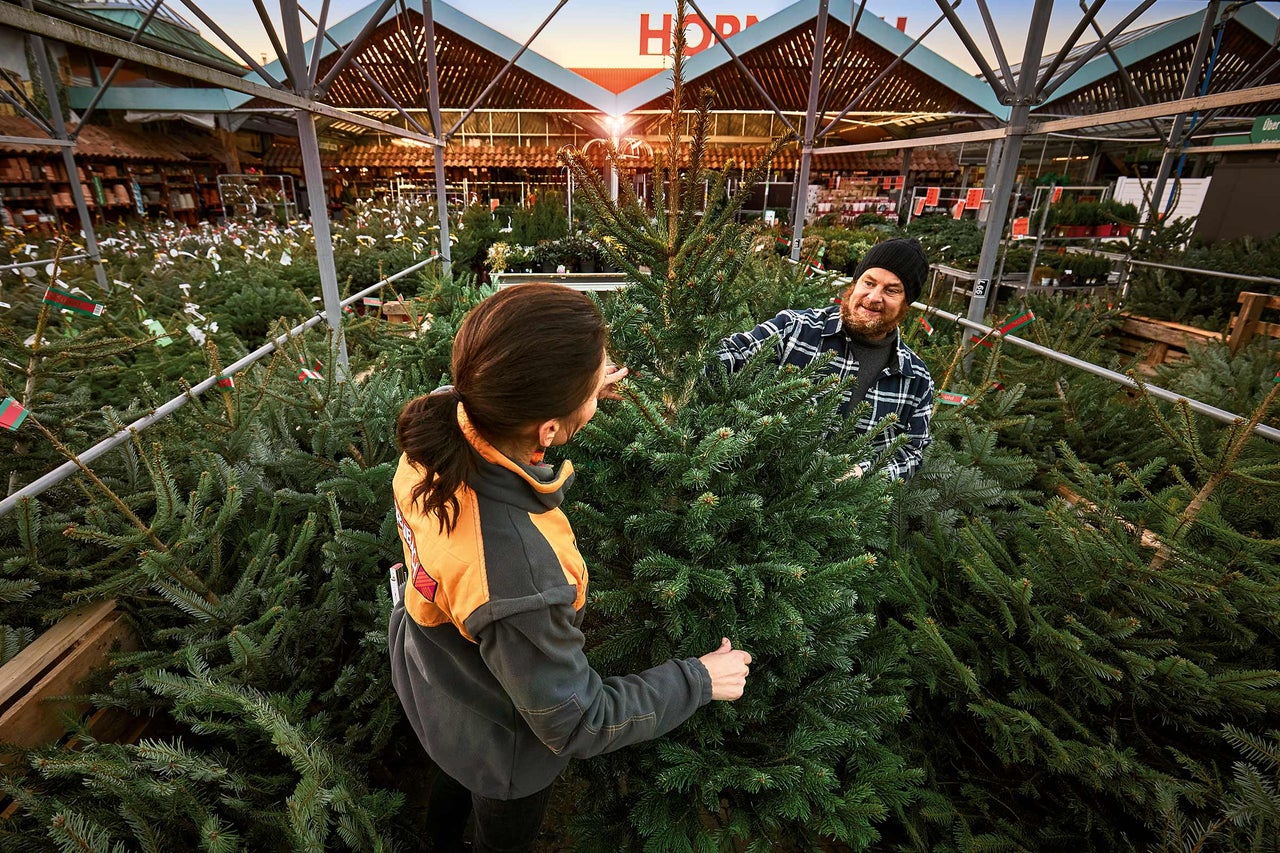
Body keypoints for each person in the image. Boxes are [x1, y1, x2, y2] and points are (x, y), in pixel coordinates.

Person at [389, 283, 753, 853]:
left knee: (455, 772)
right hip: (505, 741)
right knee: (497, 823)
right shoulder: (517, 575)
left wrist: (576, 393)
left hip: (435, 680)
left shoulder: (438, 431)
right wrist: (700, 679)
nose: (605, 376)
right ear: (549, 429)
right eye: (592, 379)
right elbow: (577, 720)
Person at [715, 237, 935, 480]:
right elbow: (732, 353)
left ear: (907, 303)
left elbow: (913, 452)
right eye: (868, 282)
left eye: (891, 290)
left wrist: (864, 472)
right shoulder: (794, 329)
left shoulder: (915, 378)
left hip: (844, 510)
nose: (873, 297)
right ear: (854, 284)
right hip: (758, 489)